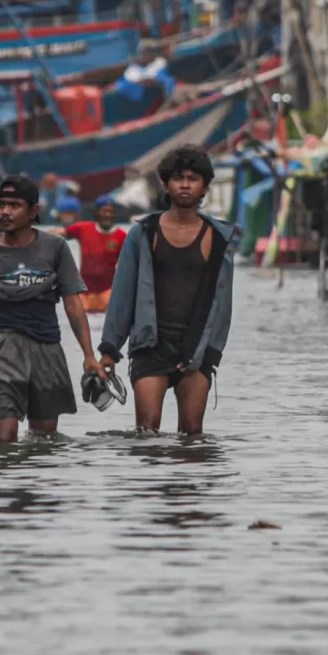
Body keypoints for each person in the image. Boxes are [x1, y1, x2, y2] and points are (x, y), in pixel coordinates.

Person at [0, 175, 104, 442]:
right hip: (1, 349)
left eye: (14, 205)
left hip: (46, 348)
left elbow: (72, 303)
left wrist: (89, 355)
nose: (5, 212)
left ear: (33, 212)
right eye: (1, 205)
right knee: (4, 437)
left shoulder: (55, 248)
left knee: (43, 440)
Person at [99, 144, 239, 436]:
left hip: (197, 348)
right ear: (165, 184)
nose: (185, 185)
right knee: (147, 434)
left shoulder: (220, 238)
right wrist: (110, 349)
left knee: (192, 436)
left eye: (192, 178)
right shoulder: (143, 233)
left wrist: (213, 352)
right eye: (178, 178)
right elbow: (123, 293)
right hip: (151, 346)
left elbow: (223, 304)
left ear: (205, 186)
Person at [63, 194, 129, 313]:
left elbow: (128, 264)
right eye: (104, 211)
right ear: (97, 212)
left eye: (111, 212)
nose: (108, 215)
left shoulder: (122, 236)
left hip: (108, 292)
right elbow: (60, 234)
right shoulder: (82, 229)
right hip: (84, 292)